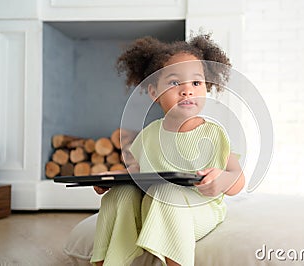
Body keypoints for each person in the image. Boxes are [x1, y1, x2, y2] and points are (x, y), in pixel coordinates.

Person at [91, 34, 246, 266]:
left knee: (167, 194)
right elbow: (134, 172)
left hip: (198, 209)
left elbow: (238, 177)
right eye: (175, 83)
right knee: (119, 195)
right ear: (154, 92)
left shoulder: (214, 134)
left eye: (196, 83)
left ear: (207, 86)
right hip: (150, 207)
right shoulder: (148, 135)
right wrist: (113, 180)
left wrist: (222, 180)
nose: (187, 91)